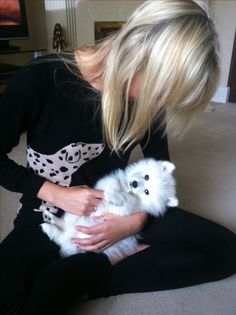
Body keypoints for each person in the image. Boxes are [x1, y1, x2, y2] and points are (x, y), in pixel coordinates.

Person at [0, 0, 236, 314]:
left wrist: (137, 218)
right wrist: (56, 193)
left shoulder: (147, 102)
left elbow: (159, 168)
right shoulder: (39, 79)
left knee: (226, 250)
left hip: (121, 208)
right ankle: (87, 271)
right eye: (163, 91)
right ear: (139, 55)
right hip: (49, 214)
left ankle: (93, 271)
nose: (161, 104)